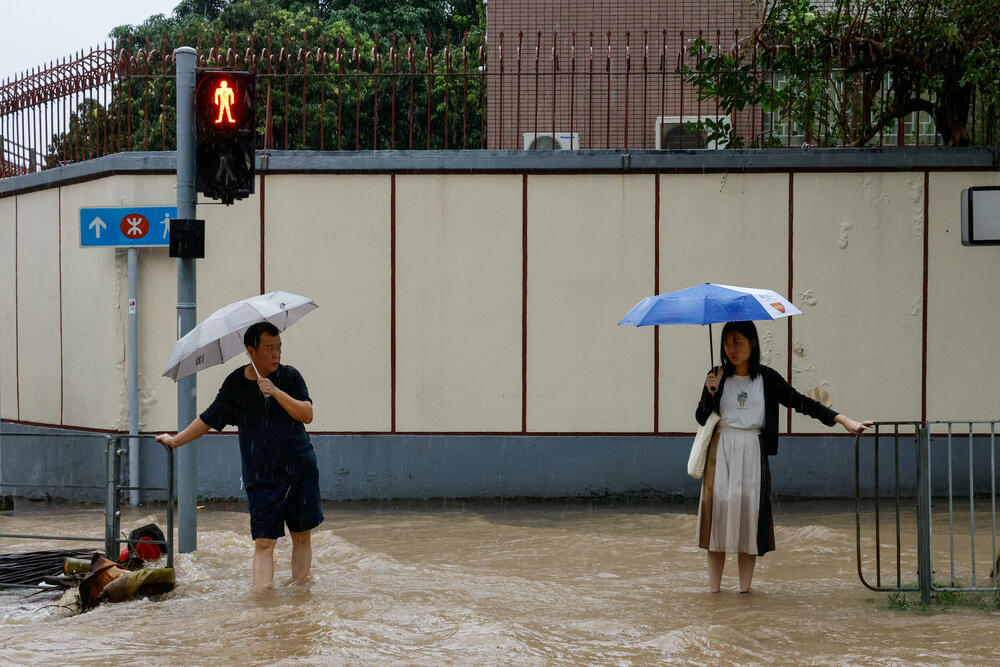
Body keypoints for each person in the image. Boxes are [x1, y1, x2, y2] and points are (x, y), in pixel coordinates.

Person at [695, 320, 871, 594]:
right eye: (727, 343)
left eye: (738, 342)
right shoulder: (716, 375)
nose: (732, 349)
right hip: (721, 451)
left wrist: (841, 419)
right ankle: (713, 593)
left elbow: (800, 401)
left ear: (753, 343)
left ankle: (744, 593)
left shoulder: (767, 378)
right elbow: (700, 417)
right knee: (718, 520)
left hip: (753, 450)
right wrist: (709, 394)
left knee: (748, 520)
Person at [156, 321, 323, 589]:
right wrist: (175, 441)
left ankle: (300, 593)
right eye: (269, 349)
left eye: (279, 348)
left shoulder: (290, 377)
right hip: (261, 477)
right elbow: (208, 418)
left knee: (301, 535)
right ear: (251, 351)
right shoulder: (235, 384)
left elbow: (307, 414)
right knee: (264, 542)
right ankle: (262, 602)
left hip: (300, 469)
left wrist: (276, 391)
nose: (276, 355)